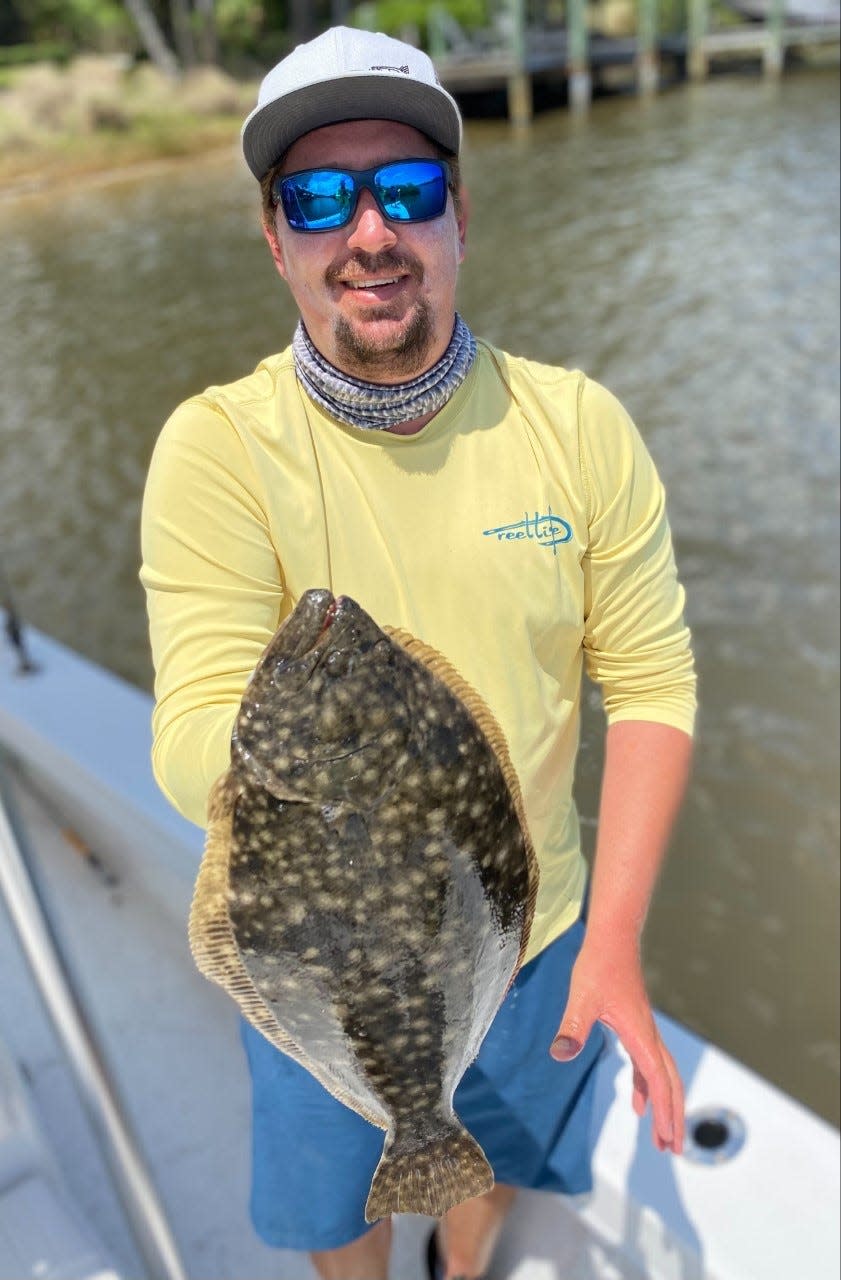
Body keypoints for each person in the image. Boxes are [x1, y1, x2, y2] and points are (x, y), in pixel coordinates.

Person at [140, 25, 696, 1280]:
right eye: (321, 198)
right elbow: (188, 738)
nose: (369, 231)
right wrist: (295, 760)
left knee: (476, 1154)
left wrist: (610, 941)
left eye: (409, 189)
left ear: (459, 216)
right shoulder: (217, 447)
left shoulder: (576, 424)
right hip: (311, 959)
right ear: (275, 237)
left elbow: (652, 680)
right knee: (339, 1208)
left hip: (534, 927)